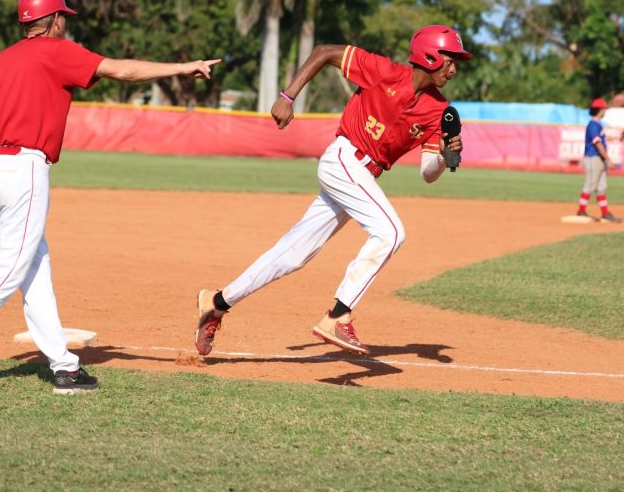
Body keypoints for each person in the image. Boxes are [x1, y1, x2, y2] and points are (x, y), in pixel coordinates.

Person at [0, 0, 220, 394]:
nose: (65, 22)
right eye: (63, 16)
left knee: (33, 266)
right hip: (24, 171)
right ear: (53, 20)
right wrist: (181, 67)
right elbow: (122, 70)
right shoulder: (56, 49)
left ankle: (64, 367)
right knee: (11, 266)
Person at [194, 25, 470, 357]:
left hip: (360, 177)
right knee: (391, 232)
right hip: (343, 159)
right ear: (430, 56)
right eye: (450, 60)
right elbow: (324, 52)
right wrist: (287, 96)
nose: (454, 69)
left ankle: (217, 302)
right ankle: (338, 316)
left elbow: (428, 174)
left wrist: (443, 154)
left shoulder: (440, 111)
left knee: (293, 254)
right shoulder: (384, 71)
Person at [576, 97, 621, 223]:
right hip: (593, 158)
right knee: (590, 185)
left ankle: (605, 213)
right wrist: (609, 160)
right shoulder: (593, 125)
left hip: (599, 159)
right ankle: (581, 210)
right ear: (600, 110)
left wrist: (618, 137)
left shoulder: (597, 125)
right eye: (604, 108)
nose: (605, 111)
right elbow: (598, 145)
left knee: (601, 187)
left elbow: (603, 139)